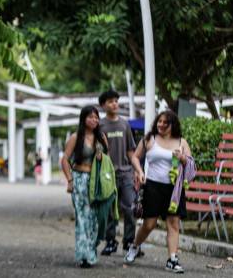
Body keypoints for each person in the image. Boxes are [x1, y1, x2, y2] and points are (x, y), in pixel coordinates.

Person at [125, 110, 192, 274]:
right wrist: (140, 171)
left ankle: (172, 259)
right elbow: (135, 157)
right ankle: (134, 246)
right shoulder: (150, 139)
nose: (161, 125)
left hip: (174, 188)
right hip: (153, 186)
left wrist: (183, 159)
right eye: (159, 121)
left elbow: (190, 163)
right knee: (149, 224)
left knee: (173, 223)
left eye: (165, 123)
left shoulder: (181, 142)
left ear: (172, 125)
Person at [61, 105, 108, 268]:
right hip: (80, 179)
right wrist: (70, 180)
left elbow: (107, 162)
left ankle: (90, 252)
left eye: (96, 117)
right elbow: (65, 159)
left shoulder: (101, 137)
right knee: (83, 217)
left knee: (95, 218)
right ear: (83, 119)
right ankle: (83, 256)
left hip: (96, 182)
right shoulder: (76, 137)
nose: (94, 120)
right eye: (90, 117)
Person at [98, 90, 138, 255]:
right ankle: (110, 241)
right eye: (110, 101)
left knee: (130, 208)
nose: (114, 104)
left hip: (126, 173)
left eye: (116, 101)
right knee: (109, 210)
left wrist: (137, 170)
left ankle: (129, 243)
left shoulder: (124, 124)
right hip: (107, 175)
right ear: (103, 105)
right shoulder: (100, 126)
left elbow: (130, 151)